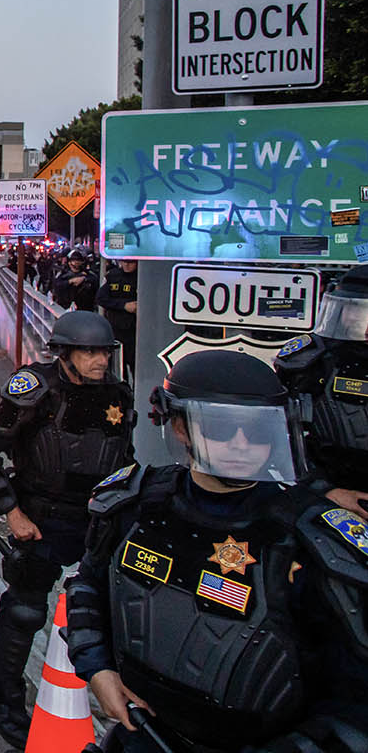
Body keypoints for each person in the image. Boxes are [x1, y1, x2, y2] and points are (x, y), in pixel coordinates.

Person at [66, 351, 368, 751]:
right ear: (180, 427)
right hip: (139, 734)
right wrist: (97, 668)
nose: (242, 444)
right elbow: (88, 585)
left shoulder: (309, 542)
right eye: (224, 427)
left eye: (258, 431)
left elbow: (355, 701)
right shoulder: (133, 505)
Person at [0, 310, 134, 748]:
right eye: (89, 352)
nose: (100, 360)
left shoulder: (118, 392)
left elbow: (123, 458)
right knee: (24, 614)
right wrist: (12, 513)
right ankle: (6, 703)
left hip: (96, 520)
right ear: (66, 353)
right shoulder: (34, 389)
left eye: (104, 352)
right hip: (40, 518)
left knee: (108, 613)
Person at [275, 264, 368, 520]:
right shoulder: (307, 363)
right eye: (358, 313)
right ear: (342, 310)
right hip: (323, 501)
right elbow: (274, 438)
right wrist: (324, 490)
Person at [95, 257, 138, 379]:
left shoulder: (142, 277)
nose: (127, 265)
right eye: (124, 262)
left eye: (131, 262)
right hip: (115, 328)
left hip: (135, 330)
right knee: (117, 368)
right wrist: (123, 305)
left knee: (136, 368)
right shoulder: (112, 276)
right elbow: (100, 299)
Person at [53, 248, 98, 312]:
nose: (76, 262)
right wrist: (70, 281)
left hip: (85, 308)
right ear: (69, 263)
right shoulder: (63, 275)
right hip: (66, 307)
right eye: (74, 260)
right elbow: (57, 286)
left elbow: (95, 282)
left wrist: (84, 279)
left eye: (78, 260)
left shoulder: (88, 274)